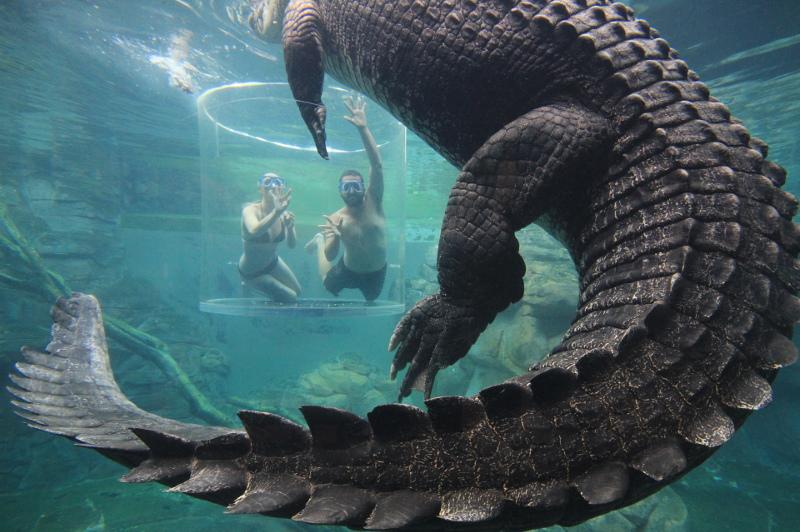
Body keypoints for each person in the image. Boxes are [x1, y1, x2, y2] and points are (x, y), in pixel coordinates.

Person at [305, 95, 387, 302]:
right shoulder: (336, 218)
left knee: (372, 299)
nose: (351, 190)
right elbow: (331, 256)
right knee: (327, 284)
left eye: (355, 185)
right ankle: (318, 241)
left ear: (363, 188)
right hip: (347, 269)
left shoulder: (373, 201)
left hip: (376, 272)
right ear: (340, 191)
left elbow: (377, 166)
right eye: (346, 187)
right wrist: (336, 237)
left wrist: (363, 128)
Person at [239, 172, 301, 302]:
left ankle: (264, 289)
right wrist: (276, 212)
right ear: (260, 188)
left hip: (273, 263)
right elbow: (254, 230)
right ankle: (249, 284)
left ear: (282, 188)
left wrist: (290, 228)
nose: (273, 186)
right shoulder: (250, 210)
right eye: (267, 182)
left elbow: (292, 245)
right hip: (252, 272)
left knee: (298, 292)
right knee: (292, 298)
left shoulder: (284, 214)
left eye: (278, 182)